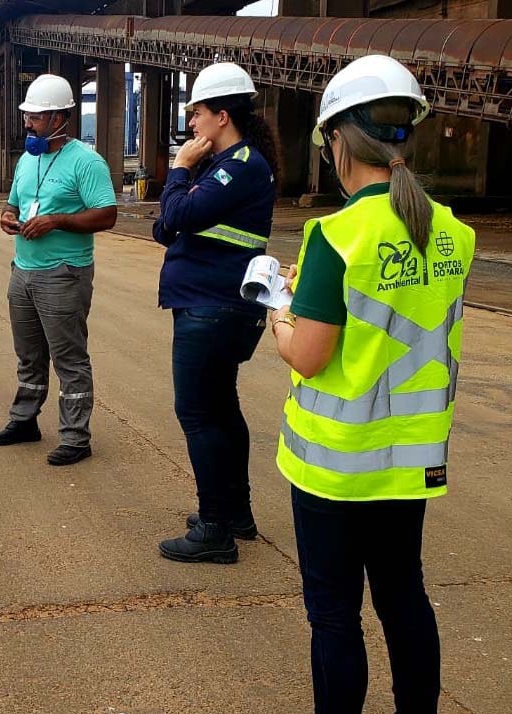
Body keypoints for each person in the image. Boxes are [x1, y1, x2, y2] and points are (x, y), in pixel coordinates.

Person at [258, 55, 476, 714]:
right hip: (412, 459)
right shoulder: (449, 232)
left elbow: (308, 354)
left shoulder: (336, 233)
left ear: (336, 143)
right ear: (405, 136)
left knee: (335, 616)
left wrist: (277, 309)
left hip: (336, 466)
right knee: (404, 599)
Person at [153, 63, 279, 564]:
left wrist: (180, 168)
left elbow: (178, 215)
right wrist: (179, 196)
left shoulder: (239, 165)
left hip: (212, 307)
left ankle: (214, 529)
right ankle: (235, 513)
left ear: (222, 116)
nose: (192, 125)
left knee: (198, 413)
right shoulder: (228, 166)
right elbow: (168, 224)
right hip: (217, 306)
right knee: (222, 409)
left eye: (197, 113)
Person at [0, 74, 117, 466]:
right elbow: (12, 203)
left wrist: (57, 221)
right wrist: (8, 217)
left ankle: (76, 437)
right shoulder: (28, 160)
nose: (28, 123)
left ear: (61, 117)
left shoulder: (86, 162)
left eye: (37, 117)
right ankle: (25, 420)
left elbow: (108, 214)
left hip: (64, 273)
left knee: (69, 358)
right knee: (29, 355)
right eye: (28, 116)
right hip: (23, 271)